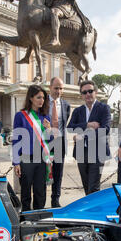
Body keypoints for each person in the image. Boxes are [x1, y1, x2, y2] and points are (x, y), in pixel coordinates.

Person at [68, 80, 111, 195]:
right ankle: (90, 210)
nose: (87, 94)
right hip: (81, 152)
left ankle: (95, 212)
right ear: (81, 95)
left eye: (90, 91)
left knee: (94, 187)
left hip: (98, 152)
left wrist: (82, 136)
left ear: (95, 92)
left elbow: (105, 129)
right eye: (84, 92)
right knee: (86, 186)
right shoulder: (78, 111)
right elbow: (70, 127)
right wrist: (87, 125)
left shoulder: (104, 108)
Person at [12, 85, 52, 212]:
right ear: (31, 98)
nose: (42, 100)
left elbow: (49, 141)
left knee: (40, 191)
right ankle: (25, 217)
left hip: (41, 159)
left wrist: (49, 130)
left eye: (43, 98)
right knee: (26, 191)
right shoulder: (21, 116)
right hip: (26, 158)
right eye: (38, 97)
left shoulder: (45, 117)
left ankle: (39, 216)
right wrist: (16, 162)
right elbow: (16, 140)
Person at [49, 76, 71, 207]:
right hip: (44, 144)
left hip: (60, 143)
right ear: (50, 88)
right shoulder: (42, 102)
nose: (58, 91)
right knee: (43, 172)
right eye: (56, 88)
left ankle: (55, 199)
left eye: (61, 88)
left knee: (58, 173)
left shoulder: (66, 105)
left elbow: (64, 122)